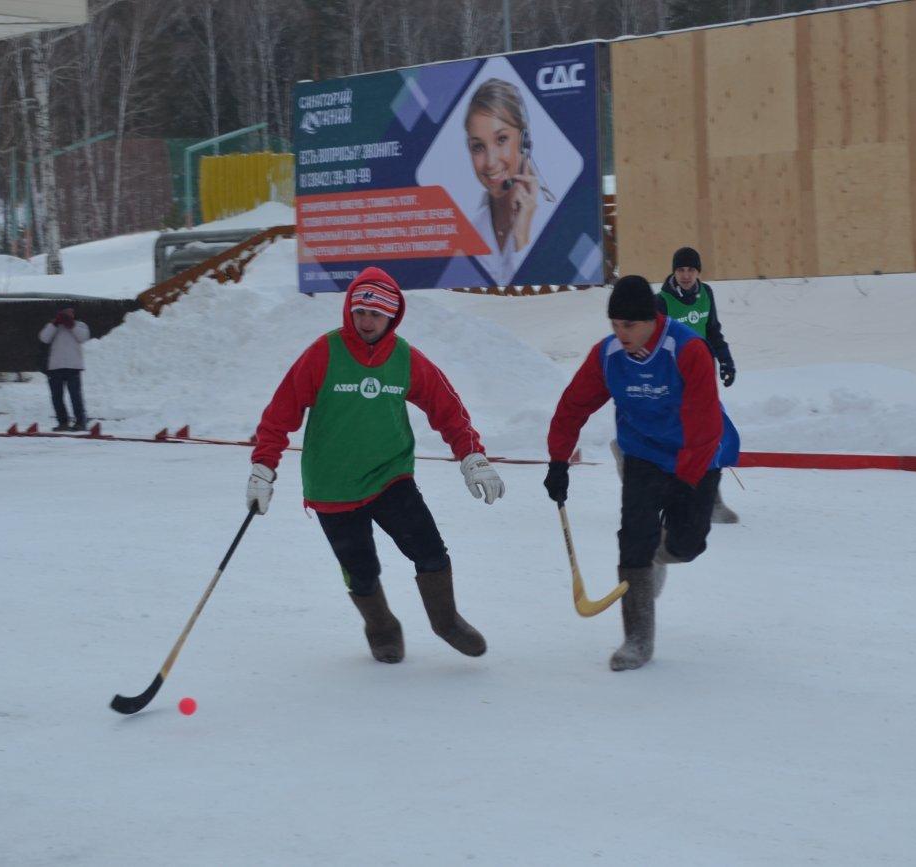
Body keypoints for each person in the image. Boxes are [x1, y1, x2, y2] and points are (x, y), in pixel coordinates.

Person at [246, 266, 505, 665]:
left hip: (390, 476)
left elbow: (446, 407)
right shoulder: (324, 353)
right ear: (350, 312)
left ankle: (446, 621)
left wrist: (472, 455)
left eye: (375, 315)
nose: (366, 322)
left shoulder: (404, 359)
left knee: (430, 550)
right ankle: (382, 627)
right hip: (332, 485)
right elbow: (281, 412)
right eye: (359, 312)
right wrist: (263, 467)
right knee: (361, 571)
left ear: (391, 317)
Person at [544, 275, 740, 671]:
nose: (621, 333)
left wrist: (687, 481)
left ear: (651, 319)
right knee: (633, 537)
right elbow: (573, 406)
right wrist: (558, 461)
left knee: (687, 544)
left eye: (629, 325)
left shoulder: (687, 349)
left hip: (695, 454)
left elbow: (705, 423)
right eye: (614, 325)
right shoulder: (608, 354)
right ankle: (636, 639)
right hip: (642, 454)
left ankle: (657, 557)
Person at [655, 246, 740, 523]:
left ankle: (712, 499)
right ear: (673, 272)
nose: (686, 275)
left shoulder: (707, 294)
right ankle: (662, 494)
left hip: (703, 378)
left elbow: (712, 330)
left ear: (698, 272)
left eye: (691, 270)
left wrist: (726, 360)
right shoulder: (663, 302)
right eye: (681, 270)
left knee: (712, 435)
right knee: (676, 440)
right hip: (675, 381)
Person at [463, 78, 555, 287]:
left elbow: (539, 299)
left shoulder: (554, 218)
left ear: (524, 142)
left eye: (501, 139)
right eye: (478, 147)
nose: (490, 162)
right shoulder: (471, 228)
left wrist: (521, 236)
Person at [38, 304, 90, 432]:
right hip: (55, 367)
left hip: (73, 367)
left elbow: (83, 337)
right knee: (57, 397)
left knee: (75, 397)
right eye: (65, 313)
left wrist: (71, 325)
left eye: (70, 312)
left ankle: (80, 422)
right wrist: (55, 324)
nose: (68, 315)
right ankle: (63, 422)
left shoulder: (80, 325)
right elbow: (44, 338)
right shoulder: (53, 326)